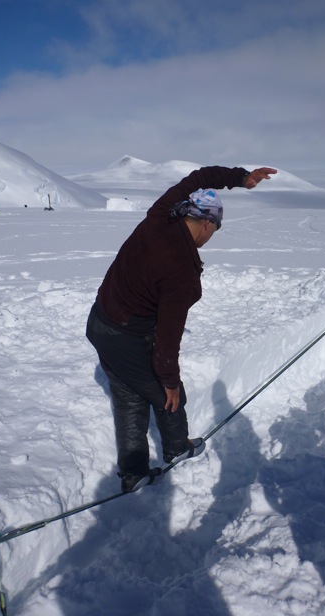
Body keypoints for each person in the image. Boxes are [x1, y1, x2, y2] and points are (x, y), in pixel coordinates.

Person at [86, 165, 276, 492]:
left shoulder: (161, 214)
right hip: (125, 336)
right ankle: (176, 448)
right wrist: (170, 381)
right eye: (215, 229)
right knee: (168, 396)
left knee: (130, 396)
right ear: (206, 223)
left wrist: (240, 178)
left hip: (100, 321)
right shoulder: (181, 272)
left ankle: (134, 473)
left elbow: (198, 179)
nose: (211, 237)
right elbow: (168, 336)